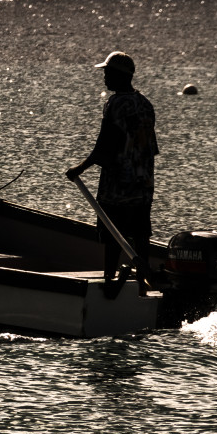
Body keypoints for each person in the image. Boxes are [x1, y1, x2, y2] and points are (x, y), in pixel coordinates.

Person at [65, 51, 159, 288]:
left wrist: (79, 168)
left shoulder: (116, 104)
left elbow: (104, 145)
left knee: (112, 231)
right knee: (140, 233)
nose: (104, 77)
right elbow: (151, 148)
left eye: (107, 72)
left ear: (120, 75)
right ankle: (143, 278)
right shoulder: (145, 104)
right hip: (143, 183)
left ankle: (109, 278)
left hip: (118, 184)